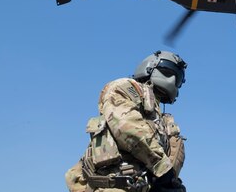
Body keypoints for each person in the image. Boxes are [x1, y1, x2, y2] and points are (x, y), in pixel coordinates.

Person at [65, 51, 188, 192]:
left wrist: (171, 183)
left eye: (177, 78)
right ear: (149, 67)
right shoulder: (127, 87)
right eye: (167, 71)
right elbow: (126, 125)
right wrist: (163, 169)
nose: (172, 80)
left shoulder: (163, 121)